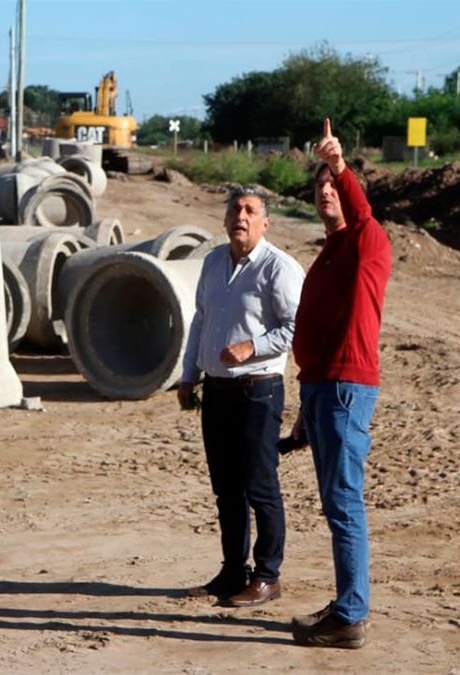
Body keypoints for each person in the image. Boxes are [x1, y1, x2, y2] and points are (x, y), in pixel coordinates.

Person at [289, 118, 392, 649]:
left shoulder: (367, 242)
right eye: (320, 187)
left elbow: (365, 211)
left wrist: (338, 164)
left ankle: (351, 614)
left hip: (346, 388)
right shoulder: (328, 254)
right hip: (323, 389)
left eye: (333, 186)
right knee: (336, 502)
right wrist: (304, 414)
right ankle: (346, 607)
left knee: (344, 502)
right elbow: (318, 335)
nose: (326, 191)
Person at [178, 185, 305, 607]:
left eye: (251, 210)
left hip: (258, 390)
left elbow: (296, 326)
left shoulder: (278, 268)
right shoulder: (214, 262)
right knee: (226, 489)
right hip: (216, 391)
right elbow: (201, 318)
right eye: (235, 209)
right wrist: (188, 372)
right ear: (225, 218)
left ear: (265, 222)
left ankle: (268, 575)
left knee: (259, 486)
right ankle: (234, 571)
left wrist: (253, 347)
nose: (242, 216)